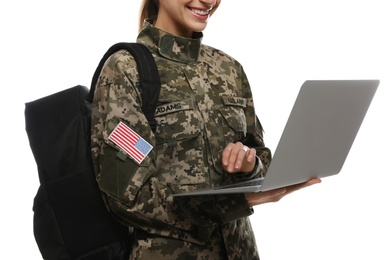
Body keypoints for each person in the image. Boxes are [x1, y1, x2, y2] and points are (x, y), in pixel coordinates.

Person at [91, 0, 321, 259]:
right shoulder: (126, 70)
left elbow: (261, 157)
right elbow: (126, 194)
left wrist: (249, 165)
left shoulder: (229, 69)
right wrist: (238, 201)